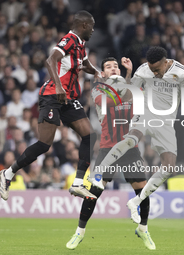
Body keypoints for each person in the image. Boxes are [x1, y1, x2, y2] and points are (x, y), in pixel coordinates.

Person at [0, 10, 100, 201]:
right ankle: (8, 174)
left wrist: (96, 72)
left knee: (89, 135)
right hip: (53, 95)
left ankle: (78, 183)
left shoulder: (81, 45)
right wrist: (60, 86)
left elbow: (84, 63)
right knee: (45, 145)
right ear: (84, 25)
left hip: (68, 99)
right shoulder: (69, 39)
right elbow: (50, 59)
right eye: (92, 27)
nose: (93, 31)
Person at [93, 46, 184, 223]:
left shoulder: (181, 71)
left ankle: (136, 201)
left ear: (166, 63)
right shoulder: (143, 70)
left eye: (157, 70)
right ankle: (100, 173)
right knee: (131, 138)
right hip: (146, 111)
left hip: (165, 122)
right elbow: (129, 93)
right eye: (151, 69)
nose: (154, 73)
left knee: (169, 166)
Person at [66, 57, 154, 250]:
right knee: (93, 193)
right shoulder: (98, 90)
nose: (113, 68)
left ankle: (143, 229)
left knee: (143, 191)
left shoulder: (129, 86)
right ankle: (79, 233)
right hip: (108, 149)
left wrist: (131, 76)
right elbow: (115, 101)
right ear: (103, 74)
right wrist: (131, 79)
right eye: (108, 67)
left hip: (129, 148)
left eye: (116, 66)